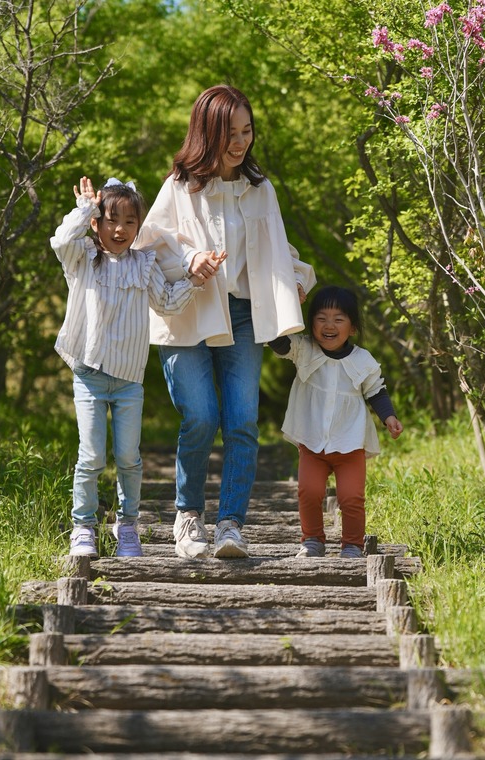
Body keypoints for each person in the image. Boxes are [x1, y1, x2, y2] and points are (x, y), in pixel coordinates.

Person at [136, 83, 317, 560]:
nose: (240, 142)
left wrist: (294, 281)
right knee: (200, 416)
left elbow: (278, 247)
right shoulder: (178, 187)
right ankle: (188, 515)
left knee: (242, 423)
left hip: (242, 315)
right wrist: (191, 259)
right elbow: (148, 245)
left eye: (247, 130)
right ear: (207, 132)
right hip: (191, 311)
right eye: (230, 132)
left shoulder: (260, 190)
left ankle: (231, 524)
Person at [50, 175, 221, 557]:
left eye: (130, 222)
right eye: (111, 220)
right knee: (91, 456)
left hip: (129, 381)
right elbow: (61, 240)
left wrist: (194, 280)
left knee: (129, 458)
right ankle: (83, 528)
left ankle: (127, 526)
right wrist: (84, 209)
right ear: (97, 224)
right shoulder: (83, 258)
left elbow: (168, 303)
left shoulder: (144, 263)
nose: (120, 229)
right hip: (90, 375)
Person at [266, 285, 403, 558]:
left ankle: (352, 545)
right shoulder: (304, 349)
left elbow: (376, 390)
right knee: (309, 491)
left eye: (338, 319)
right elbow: (278, 342)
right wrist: (284, 301)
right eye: (321, 318)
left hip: (350, 443)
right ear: (311, 322)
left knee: (352, 497)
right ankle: (312, 540)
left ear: (352, 328)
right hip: (312, 441)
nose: (329, 325)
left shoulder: (362, 360)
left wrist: (389, 416)